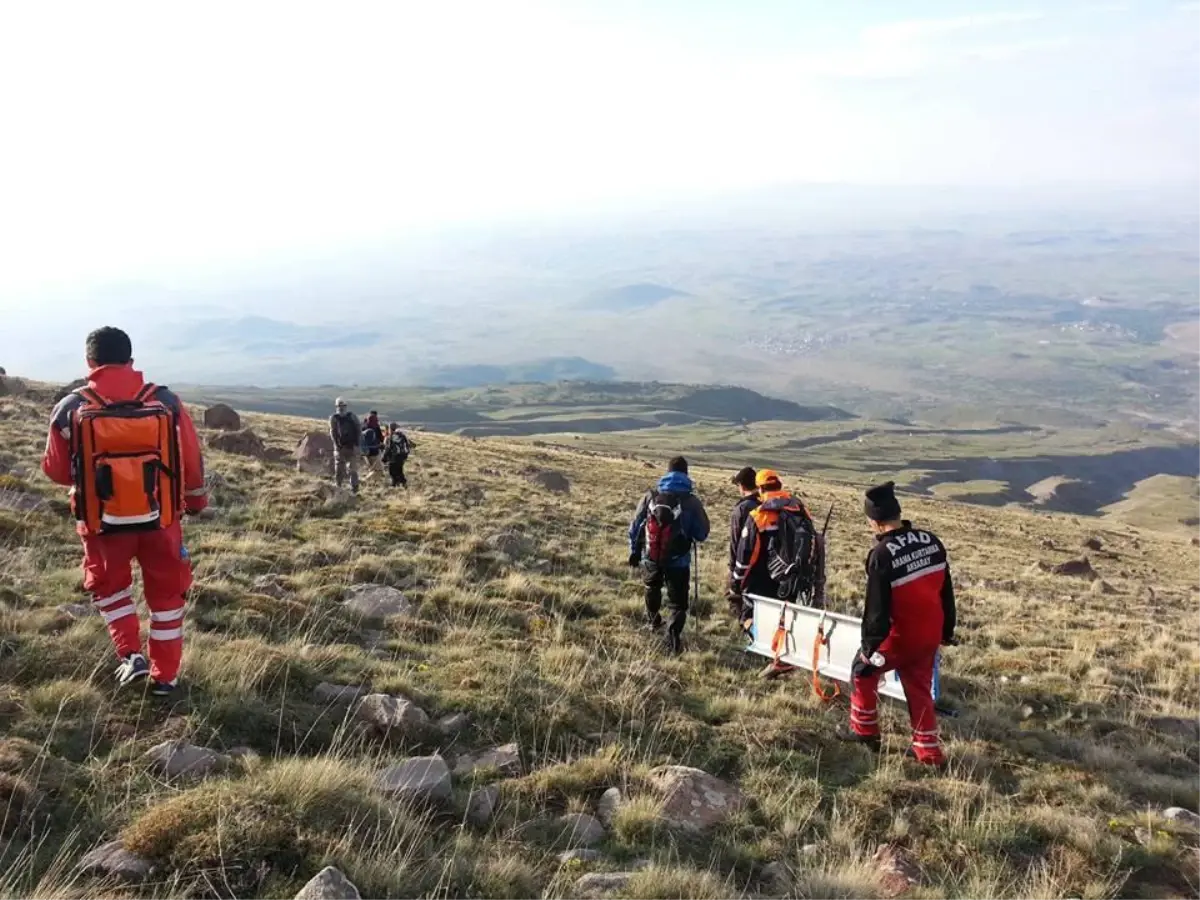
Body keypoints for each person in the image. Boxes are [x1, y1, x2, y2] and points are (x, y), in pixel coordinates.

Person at [41, 326, 208, 695]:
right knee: (166, 600)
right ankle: (165, 678)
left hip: (101, 524)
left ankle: (130, 653)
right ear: (131, 361)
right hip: (161, 520)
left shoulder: (70, 407)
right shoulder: (166, 402)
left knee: (112, 589)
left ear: (90, 362)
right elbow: (192, 461)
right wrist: (195, 501)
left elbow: (54, 470)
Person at [837, 481, 956, 767]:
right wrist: (947, 630)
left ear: (874, 521)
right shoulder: (931, 541)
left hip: (899, 637)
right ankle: (928, 752)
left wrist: (869, 647)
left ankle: (865, 731)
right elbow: (946, 591)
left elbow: (876, 609)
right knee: (919, 689)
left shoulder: (882, 555)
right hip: (929, 634)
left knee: (862, 672)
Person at [627, 456, 710, 654]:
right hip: (679, 560)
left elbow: (636, 525)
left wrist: (634, 551)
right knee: (678, 601)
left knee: (651, 586)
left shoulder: (651, 496)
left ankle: (653, 621)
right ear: (686, 474)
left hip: (651, 554)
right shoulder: (691, 501)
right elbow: (702, 533)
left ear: (667, 472)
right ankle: (672, 639)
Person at [729, 470, 826, 629]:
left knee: (750, 619)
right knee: (785, 623)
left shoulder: (759, 516)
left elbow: (746, 556)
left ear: (760, 489)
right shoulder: (800, 510)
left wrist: (736, 584)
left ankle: (760, 645)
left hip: (762, 583)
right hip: (793, 582)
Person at [726, 466, 760, 619]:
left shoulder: (742, 509)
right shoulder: (766, 505)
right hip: (767, 568)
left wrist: (733, 572)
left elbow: (735, 543)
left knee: (742, 610)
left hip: (744, 566)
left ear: (742, 486)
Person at [328, 398, 362, 493]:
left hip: (345, 447)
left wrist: (337, 445)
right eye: (340, 406)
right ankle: (349, 488)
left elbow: (332, 432)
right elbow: (359, 430)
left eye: (342, 406)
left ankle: (345, 487)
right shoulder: (351, 416)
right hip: (346, 447)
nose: (341, 408)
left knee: (346, 469)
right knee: (347, 469)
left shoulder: (334, 418)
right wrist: (357, 444)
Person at [382, 423, 414, 488]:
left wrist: (384, 458)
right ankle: (403, 483)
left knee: (392, 471)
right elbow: (410, 445)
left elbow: (387, 448)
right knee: (399, 469)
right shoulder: (402, 436)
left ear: (390, 429)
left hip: (394, 457)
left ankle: (395, 484)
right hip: (403, 456)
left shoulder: (389, 437)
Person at [361, 410, 384, 480]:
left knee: (372, 468)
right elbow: (381, 439)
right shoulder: (376, 427)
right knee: (378, 469)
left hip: (365, 451)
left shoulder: (364, 426)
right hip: (374, 451)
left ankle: (373, 483)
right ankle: (365, 481)